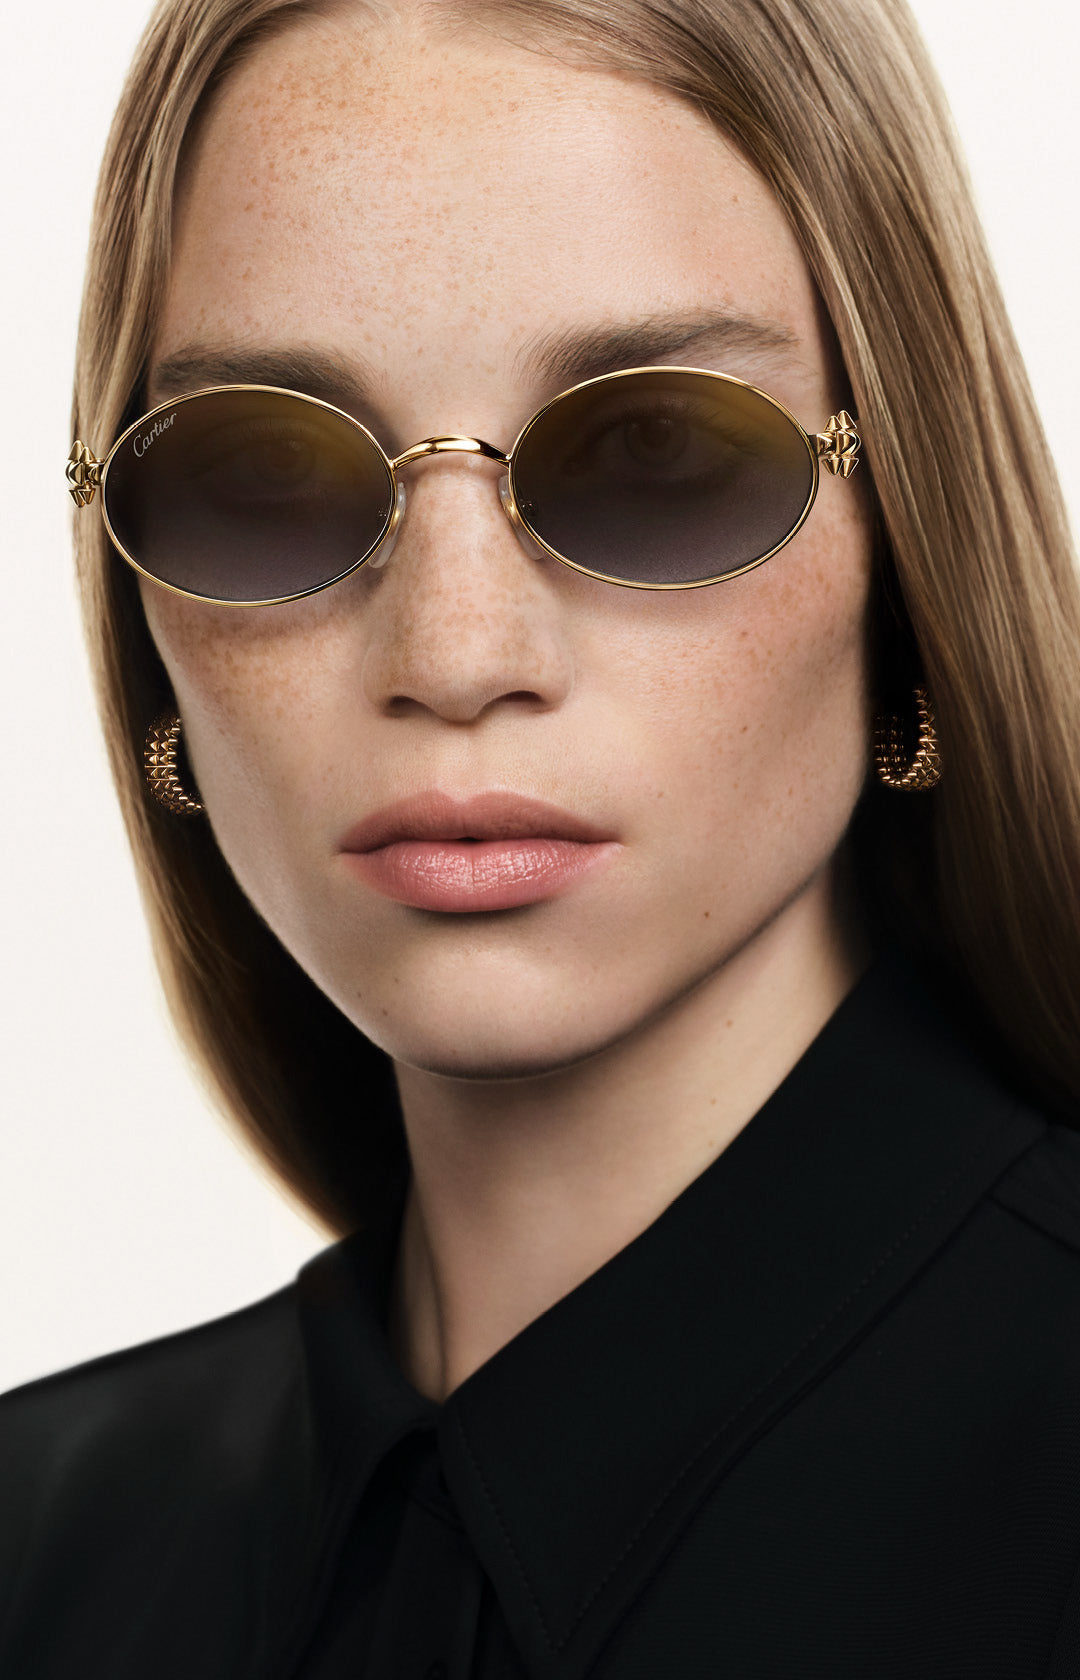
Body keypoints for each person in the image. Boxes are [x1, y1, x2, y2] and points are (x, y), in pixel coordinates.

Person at [3, 0, 1080, 1672]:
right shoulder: (41, 1550)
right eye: (269, 467)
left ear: (911, 531)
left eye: (653, 448)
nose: (454, 656)